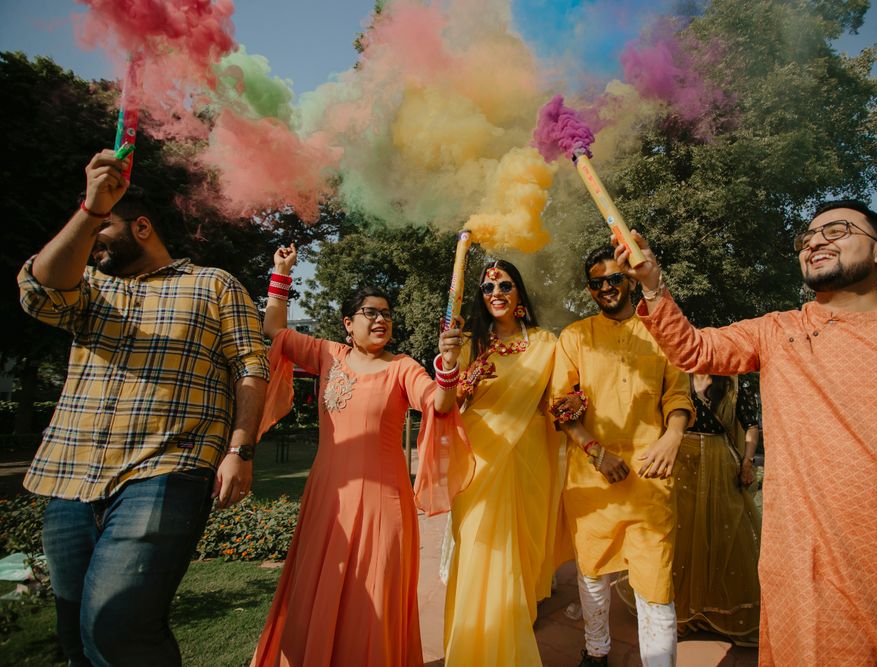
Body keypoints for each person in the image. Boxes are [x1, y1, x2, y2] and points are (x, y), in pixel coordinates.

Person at [615, 199, 877, 665]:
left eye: (836, 230)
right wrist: (653, 287)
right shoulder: (779, 331)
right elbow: (694, 349)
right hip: (805, 566)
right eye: (807, 238)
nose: (815, 241)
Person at [17, 150, 270, 666]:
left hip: (166, 470)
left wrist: (239, 449)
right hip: (69, 475)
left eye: (104, 227)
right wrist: (90, 211)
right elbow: (38, 291)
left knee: (118, 630)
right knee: (78, 643)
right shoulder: (86, 288)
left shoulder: (213, 285)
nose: (92, 245)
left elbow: (251, 366)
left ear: (143, 227)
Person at [252, 245, 473, 667]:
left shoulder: (403, 367)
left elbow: (441, 405)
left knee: (376, 597)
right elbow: (274, 330)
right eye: (370, 312)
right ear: (347, 324)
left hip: (382, 506)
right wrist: (280, 273)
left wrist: (448, 364)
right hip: (328, 500)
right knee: (317, 590)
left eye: (387, 312)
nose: (381, 319)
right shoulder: (327, 355)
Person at [549, 246, 693, 667]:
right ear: (589, 290)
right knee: (593, 572)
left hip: (652, 473)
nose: (607, 288)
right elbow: (561, 406)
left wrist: (672, 436)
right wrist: (597, 453)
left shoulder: (661, 330)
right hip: (592, 477)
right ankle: (596, 652)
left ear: (630, 279)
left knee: (655, 578)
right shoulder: (575, 336)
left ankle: (659, 662)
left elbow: (678, 393)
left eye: (614, 278)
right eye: (597, 283)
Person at [443, 259, 563, 666]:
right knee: (480, 545)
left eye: (505, 286)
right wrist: (453, 374)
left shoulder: (547, 342)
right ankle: (474, 646)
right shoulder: (467, 344)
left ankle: (510, 630)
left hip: (531, 457)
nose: (496, 294)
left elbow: (558, 400)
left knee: (523, 556)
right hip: (479, 457)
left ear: (520, 295)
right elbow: (447, 405)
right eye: (488, 288)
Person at [673, 374, 761, 645]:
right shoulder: (677, 381)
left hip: (720, 463)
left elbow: (751, 426)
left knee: (725, 532)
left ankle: (721, 610)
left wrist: (747, 461)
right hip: (682, 464)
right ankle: (682, 613)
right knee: (683, 534)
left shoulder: (733, 384)